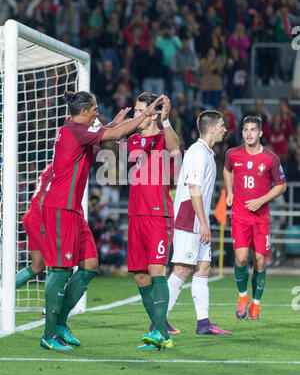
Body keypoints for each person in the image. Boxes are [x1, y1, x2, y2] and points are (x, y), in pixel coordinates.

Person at [40, 90, 164, 351]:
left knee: (90, 266)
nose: (97, 112)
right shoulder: (75, 130)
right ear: (83, 111)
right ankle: (49, 334)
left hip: (74, 209)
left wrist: (114, 124)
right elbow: (116, 136)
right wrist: (145, 113)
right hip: (60, 208)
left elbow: (104, 133)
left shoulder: (72, 129)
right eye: (94, 109)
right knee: (60, 270)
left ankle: (61, 323)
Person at [121, 92, 180, 350]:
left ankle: (159, 331)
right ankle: (159, 329)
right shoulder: (132, 138)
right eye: (135, 110)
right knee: (140, 277)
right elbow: (112, 145)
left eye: (140, 110)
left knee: (157, 272)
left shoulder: (161, 138)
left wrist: (165, 121)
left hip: (158, 214)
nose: (136, 114)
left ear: (153, 113)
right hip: (135, 214)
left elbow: (176, 148)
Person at [165, 110, 232, 336]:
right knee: (182, 269)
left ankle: (203, 323)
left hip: (198, 218)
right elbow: (193, 187)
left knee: (203, 267)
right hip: (190, 217)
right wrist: (203, 222)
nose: (225, 129)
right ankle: (158, 321)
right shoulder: (197, 152)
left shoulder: (207, 153)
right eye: (222, 125)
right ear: (211, 128)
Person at [223, 115, 287, 320]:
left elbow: (282, 186)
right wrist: (230, 192)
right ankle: (242, 297)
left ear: (260, 133)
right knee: (241, 258)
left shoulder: (271, 158)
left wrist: (261, 200)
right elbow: (227, 170)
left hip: (261, 217)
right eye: (245, 130)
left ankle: (256, 304)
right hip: (240, 215)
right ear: (242, 133)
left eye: (253, 130)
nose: (249, 133)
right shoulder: (233, 154)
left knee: (259, 261)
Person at [15, 163, 53, 290]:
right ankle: (53, 306)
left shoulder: (50, 167)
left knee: (38, 265)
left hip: (31, 216)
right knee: (56, 264)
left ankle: (4, 291)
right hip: (39, 220)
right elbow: (43, 200)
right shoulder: (58, 169)